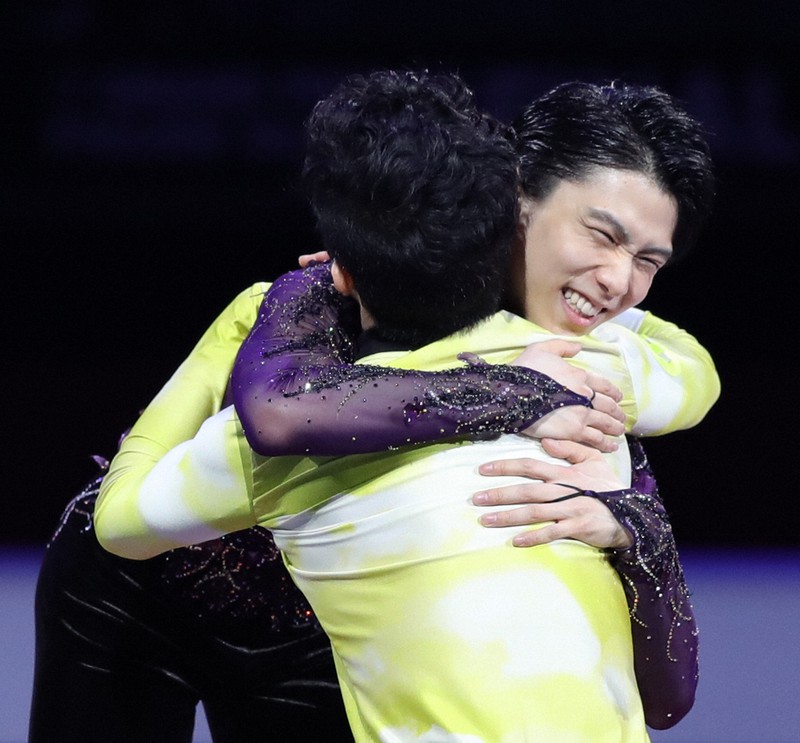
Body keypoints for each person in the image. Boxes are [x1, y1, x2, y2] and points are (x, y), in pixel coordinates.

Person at [94, 70, 718, 741]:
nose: (622, 284)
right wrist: (517, 392)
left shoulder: (589, 372)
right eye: (603, 236)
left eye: (649, 261)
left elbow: (697, 373)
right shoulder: (581, 379)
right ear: (513, 202)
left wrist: (268, 307)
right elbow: (283, 411)